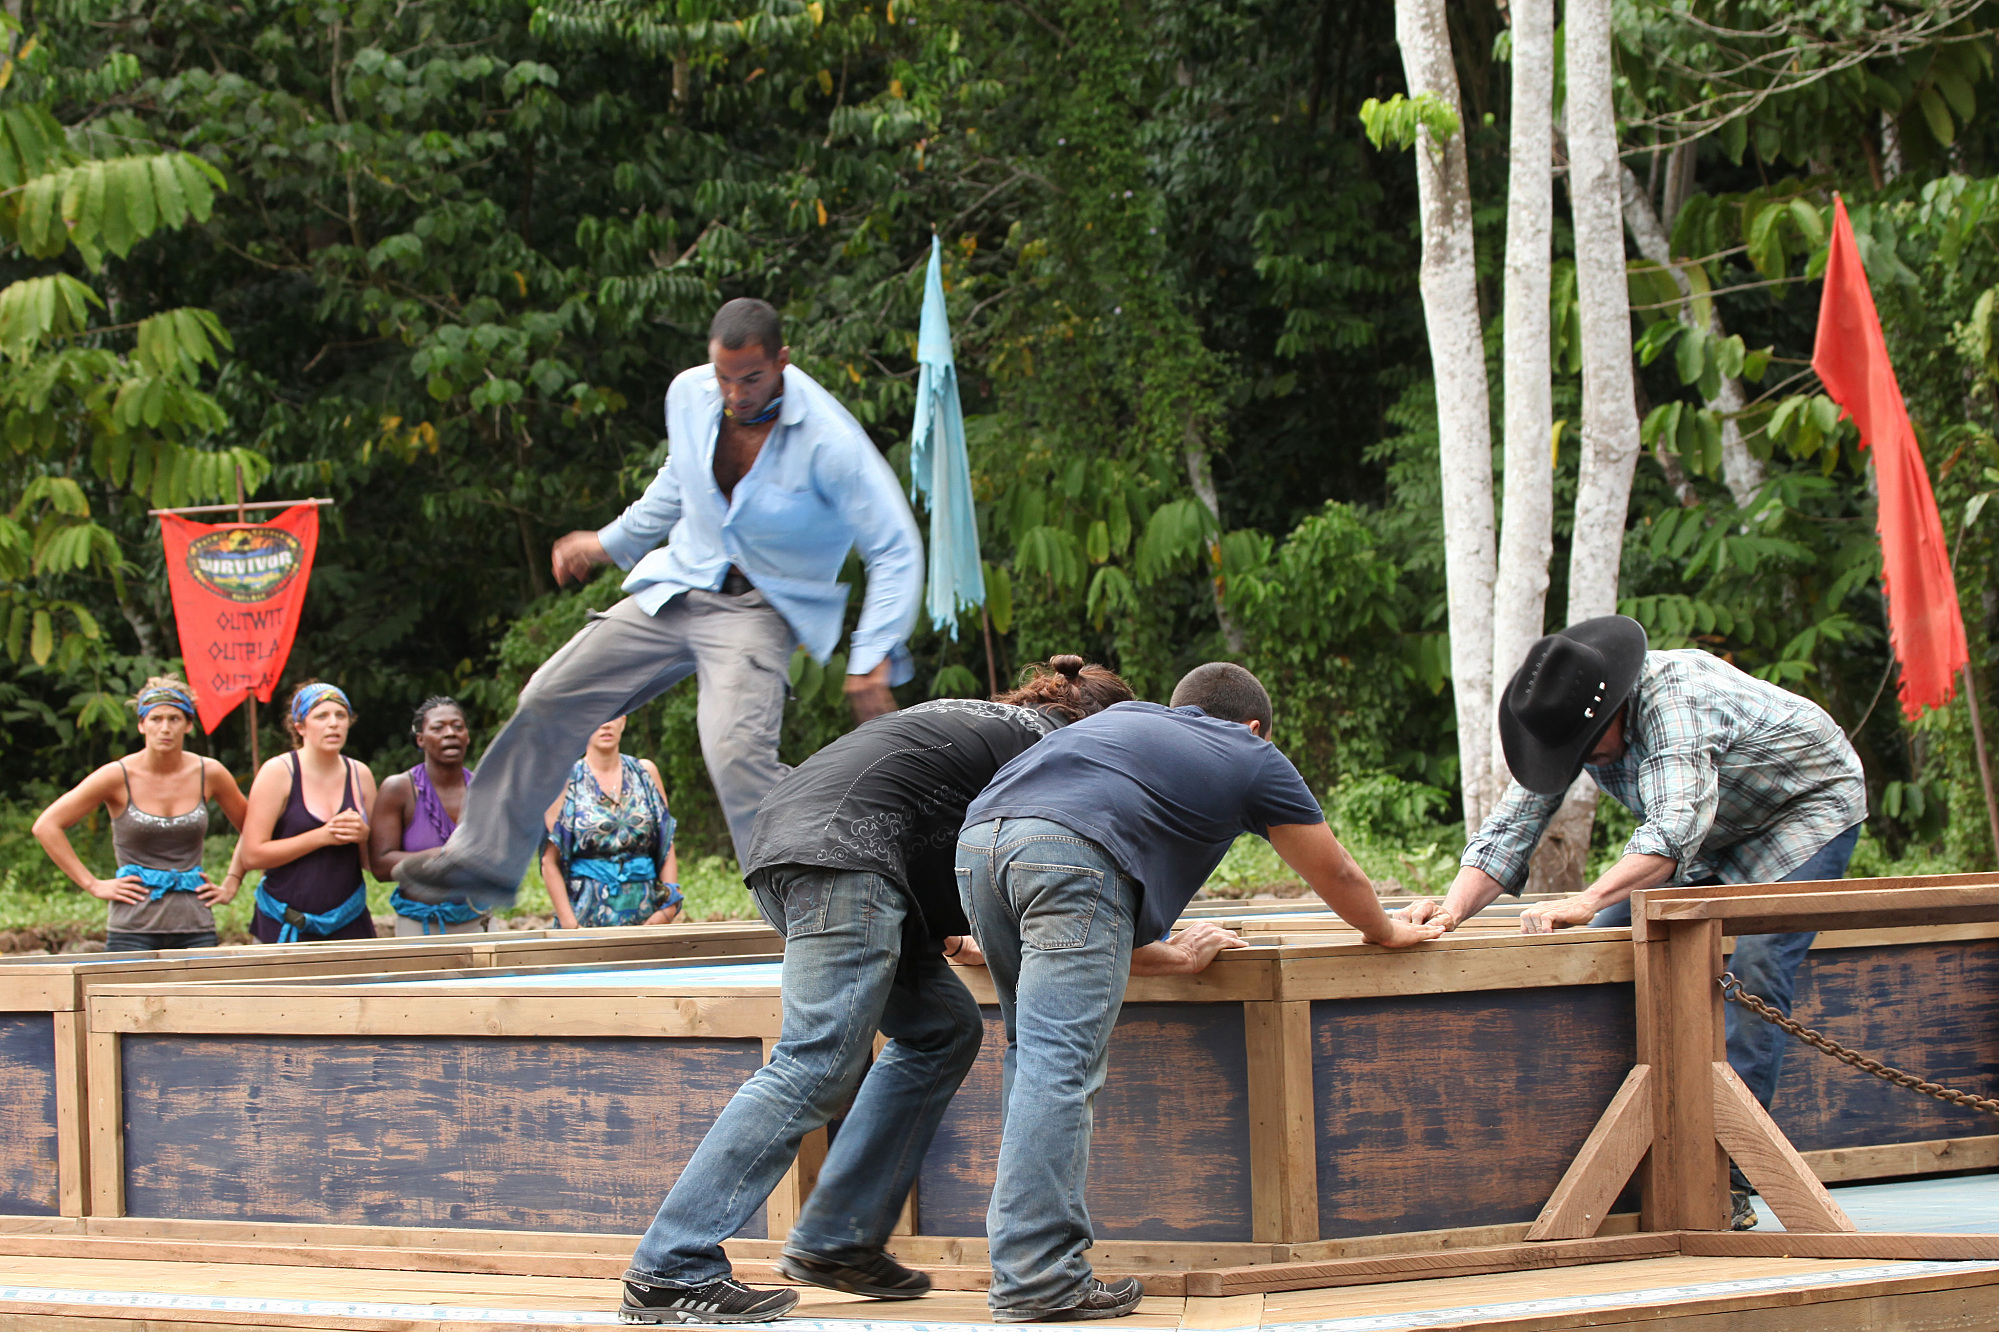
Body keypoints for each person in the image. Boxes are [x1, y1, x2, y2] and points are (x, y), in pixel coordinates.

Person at [617, 657, 1155, 1326]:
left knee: (941, 1027)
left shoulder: (987, 718)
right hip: (846, 861)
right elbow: (1069, 879)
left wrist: (953, 936)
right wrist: (1157, 944)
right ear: (1096, 725)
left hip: (796, 851)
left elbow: (944, 827)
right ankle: (670, 1267)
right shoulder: (1058, 746)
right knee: (815, 1061)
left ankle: (836, 1237)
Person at [394, 298, 923, 911]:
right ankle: (482, 861)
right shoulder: (690, 396)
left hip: (756, 610)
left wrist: (871, 655)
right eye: (724, 376)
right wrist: (607, 542)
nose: (735, 393)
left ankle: (814, 911)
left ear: (781, 360)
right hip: (676, 585)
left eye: (750, 378)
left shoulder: (830, 442)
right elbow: (679, 481)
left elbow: (894, 547)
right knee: (548, 694)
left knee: (734, 753)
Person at [955, 663, 1441, 1322]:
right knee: (1057, 1066)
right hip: (1064, 854)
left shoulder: (1123, 723)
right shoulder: (1249, 752)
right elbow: (1335, 868)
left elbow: (1083, 883)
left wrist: (1171, 952)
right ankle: (1036, 1278)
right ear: (1252, 726)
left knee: (1032, 1057)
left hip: (979, 846)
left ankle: (1025, 1265)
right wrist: (1386, 931)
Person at [1401, 616, 1867, 1230]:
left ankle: (1721, 1176)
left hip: (1802, 806)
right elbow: (1512, 830)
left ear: (1616, 707)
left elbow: (1674, 832)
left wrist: (1588, 897)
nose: (1585, 761)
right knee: (1608, 943)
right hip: (1711, 828)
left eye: (1589, 748)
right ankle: (1634, 1148)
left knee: (1754, 965)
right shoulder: (1569, 717)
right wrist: (1452, 908)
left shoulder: (1677, 700)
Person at [30, 678, 250, 951]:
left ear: (189, 724)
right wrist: (92, 884)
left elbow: (252, 828)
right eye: (156, 719)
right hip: (132, 928)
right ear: (141, 724)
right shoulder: (117, 775)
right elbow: (47, 826)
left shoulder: (210, 773)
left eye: (174, 719)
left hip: (195, 925)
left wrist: (231, 882)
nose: (165, 728)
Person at [240, 681, 379, 943]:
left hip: (348, 923)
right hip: (284, 923)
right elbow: (252, 855)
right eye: (321, 716)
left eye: (341, 716)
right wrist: (321, 837)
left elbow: (374, 864)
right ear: (300, 726)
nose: (333, 723)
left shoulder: (360, 775)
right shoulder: (278, 772)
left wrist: (365, 836)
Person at [541, 716, 681, 929]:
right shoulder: (565, 780)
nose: (605, 723)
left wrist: (668, 909)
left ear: (623, 721)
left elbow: (666, 843)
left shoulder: (644, 773)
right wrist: (571, 925)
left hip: (648, 917)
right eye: (596, 716)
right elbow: (549, 861)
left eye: (613, 714)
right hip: (585, 917)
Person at [371, 697, 491, 935]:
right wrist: (442, 856)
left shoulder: (484, 790)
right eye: (438, 728)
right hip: (419, 925)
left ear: (467, 737)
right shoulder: (399, 790)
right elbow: (380, 867)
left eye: (458, 727)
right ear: (420, 739)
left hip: (478, 922)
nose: (450, 734)